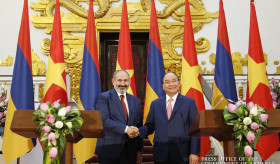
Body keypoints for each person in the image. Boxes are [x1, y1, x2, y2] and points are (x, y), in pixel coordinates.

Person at [138, 72, 200, 164]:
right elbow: (150, 126)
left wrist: (194, 152)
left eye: (174, 81)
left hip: (182, 152)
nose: (171, 84)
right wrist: (138, 131)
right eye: (167, 82)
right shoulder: (155, 104)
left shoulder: (189, 103)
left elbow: (195, 129)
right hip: (161, 153)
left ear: (179, 83)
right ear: (163, 86)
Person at [95, 70, 143, 164]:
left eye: (125, 80)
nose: (122, 83)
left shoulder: (135, 101)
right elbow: (104, 120)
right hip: (109, 151)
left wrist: (139, 150)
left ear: (129, 81)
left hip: (130, 152)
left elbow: (139, 125)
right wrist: (126, 129)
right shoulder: (104, 98)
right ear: (113, 81)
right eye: (119, 80)